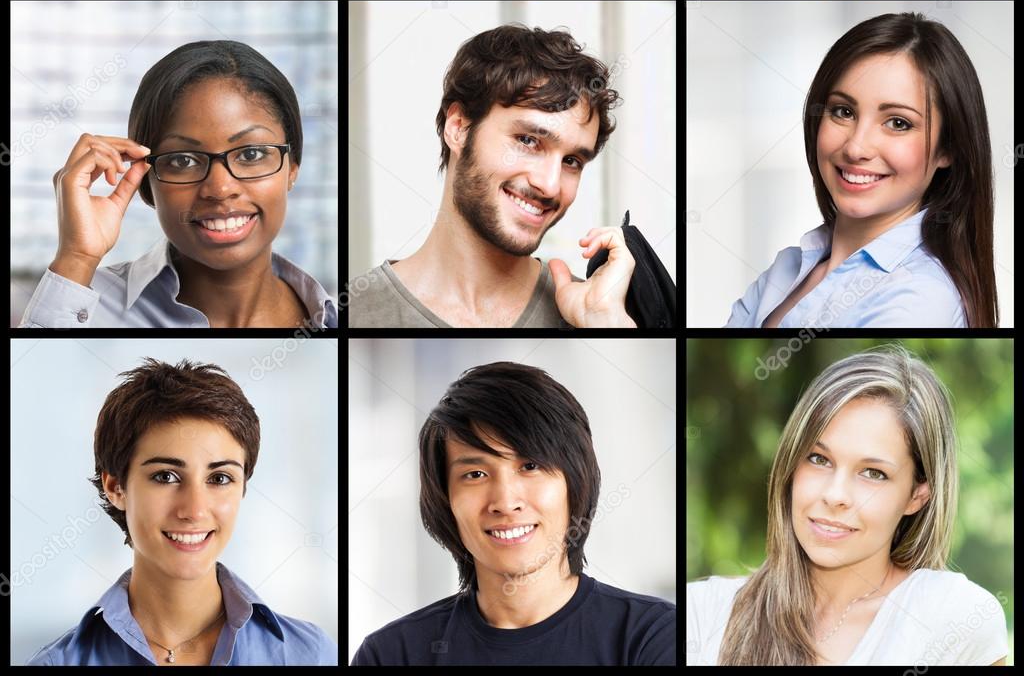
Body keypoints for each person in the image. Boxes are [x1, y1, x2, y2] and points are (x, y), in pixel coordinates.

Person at [687, 345, 1008, 665]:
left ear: (917, 496)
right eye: (818, 459)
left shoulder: (956, 620)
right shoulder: (702, 616)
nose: (835, 494)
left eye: (873, 473)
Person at [352, 362, 676, 665]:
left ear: (575, 481)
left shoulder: (654, 637)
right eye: (475, 474)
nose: (505, 502)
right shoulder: (393, 654)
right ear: (445, 499)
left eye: (530, 466)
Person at [27, 358, 337, 665]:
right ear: (116, 487)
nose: (194, 510)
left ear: (242, 487)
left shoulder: (312, 655)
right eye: (166, 476)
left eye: (219, 479)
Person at [19, 40, 337, 329]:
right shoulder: (81, 304)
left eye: (251, 154)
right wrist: (76, 257)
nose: (221, 188)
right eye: (183, 160)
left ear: (292, 168)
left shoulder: (334, 319)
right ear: (146, 181)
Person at [347, 24, 636, 328]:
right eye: (528, 141)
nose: (550, 185)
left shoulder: (596, 315)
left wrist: (606, 324)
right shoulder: (352, 314)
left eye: (572, 161)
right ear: (458, 128)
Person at [725, 12, 996, 328]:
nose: (856, 147)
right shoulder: (788, 267)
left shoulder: (918, 298)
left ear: (947, 148)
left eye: (898, 123)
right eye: (843, 112)